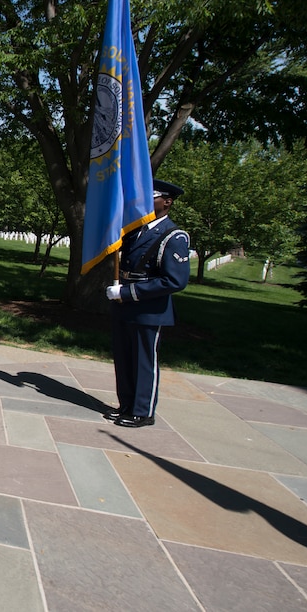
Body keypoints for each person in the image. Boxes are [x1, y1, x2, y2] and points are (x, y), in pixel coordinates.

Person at [105, 179, 191, 428]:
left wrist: (129, 292)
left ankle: (143, 411)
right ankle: (127, 404)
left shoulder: (173, 236)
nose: (144, 201)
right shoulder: (135, 231)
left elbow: (174, 281)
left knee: (144, 361)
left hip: (148, 308)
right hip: (125, 305)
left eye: (152, 196)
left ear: (167, 202)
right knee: (124, 358)